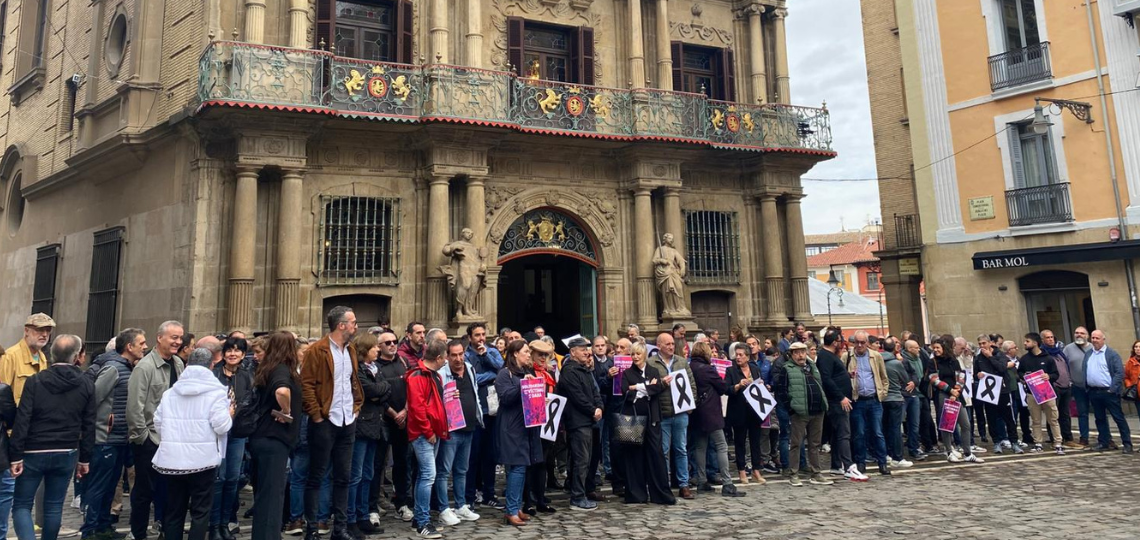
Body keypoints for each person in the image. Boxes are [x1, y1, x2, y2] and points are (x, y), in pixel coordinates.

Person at [8, 335, 95, 540]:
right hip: (66, 450)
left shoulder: (35, 381)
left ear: (51, 354)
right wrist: (85, 459)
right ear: (76, 356)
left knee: (21, 504)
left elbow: (23, 418)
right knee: (54, 506)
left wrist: (15, 455)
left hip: (33, 450)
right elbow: (89, 424)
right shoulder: (86, 383)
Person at [152, 348, 232, 540]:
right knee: (201, 511)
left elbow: (158, 422)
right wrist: (230, 414)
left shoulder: (171, 393)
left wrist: (173, 438)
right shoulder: (217, 393)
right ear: (211, 365)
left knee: (174, 511)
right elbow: (221, 426)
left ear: (187, 365)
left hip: (173, 460)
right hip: (203, 461)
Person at [300, 307, 364, 540]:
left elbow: (352, 381)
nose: (356, 326)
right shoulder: (317, 350)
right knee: (316, 475)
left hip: (348, 419)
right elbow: (306, 385)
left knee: (343, 476)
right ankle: (312, 529)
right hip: (325, 420)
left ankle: (340, 528)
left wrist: (356, 406)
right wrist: (316, 415)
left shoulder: (351, 351)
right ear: (341, 325)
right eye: (353, 322)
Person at [82, 328, 146, 540]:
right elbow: (94, 398)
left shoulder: (128, 367)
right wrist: (105, 422)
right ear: (129, 347)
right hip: (106, 438)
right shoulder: (113, 369)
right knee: (99, 486)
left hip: (120, 438)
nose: (144, 347)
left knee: (110, 486)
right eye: (141, 343)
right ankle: (90, 530)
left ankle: (103, 526)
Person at [129, 320, 186, 540]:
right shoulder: (145, 367)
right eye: (174, 337)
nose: (178, 342)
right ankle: (139, 534)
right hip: (150, 440)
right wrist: (143, 438)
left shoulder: (179, 364)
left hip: (172, 440)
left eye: (180, 338)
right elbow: (135, 407)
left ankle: (165, 530)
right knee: (144, 492)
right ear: (160, 338)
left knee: (170, 490)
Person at [249, 333, 303, 540]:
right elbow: (282, 391)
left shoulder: (269, 367)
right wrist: (286, 411)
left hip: (264, 438)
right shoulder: (281, 368)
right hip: (274, 438)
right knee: (272, 495)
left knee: (266, 494)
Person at [617, 342, 675, 505]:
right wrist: (646, 387)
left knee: (656, 455)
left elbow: (657, 389)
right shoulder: (627, 373)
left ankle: (660, 494)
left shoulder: (653, 370)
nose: (635, 357)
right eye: (633, 354)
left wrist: (638, 387)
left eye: (638, 354)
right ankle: (636, 494)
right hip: (633, 419)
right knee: (633, 456)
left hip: (652, 418)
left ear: (644, 355)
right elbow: (625, 391)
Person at [494, 340, 544, 527]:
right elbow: (505, 397)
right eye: (525, 352)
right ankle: (511, 510)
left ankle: (516, 506)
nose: (528, 355)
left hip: (525, 425)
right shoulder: (503, 374)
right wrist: (523, 385)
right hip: (510, 427)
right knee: (517, 467)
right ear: (515, 354)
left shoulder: (525, 373)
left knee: (522, 467)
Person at [686, 342, 743, 497]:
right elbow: (723, 388)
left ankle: (702, 481)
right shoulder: (708, 369)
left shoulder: (689, 367)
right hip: (710, 412)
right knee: (721, 446)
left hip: (696, 413)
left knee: (700, 447)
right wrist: (735, 385)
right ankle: (727, 483)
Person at [405, 340, 449, 538]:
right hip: (424, 434)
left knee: (426, 475)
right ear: (438, 358)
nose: (446, 360)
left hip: (434, 432)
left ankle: (419, 519)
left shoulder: (434, 375)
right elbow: (417, 407)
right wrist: (428, 431)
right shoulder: (418, 376)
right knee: (427, 475)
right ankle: (423, 521)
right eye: (446, 356)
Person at [435, 340, 482, 525]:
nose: (458, 358)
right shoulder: (441, 374)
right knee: (444, 470)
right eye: (453, 355)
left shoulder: (470, 368)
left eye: (460, 354)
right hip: (451, 428)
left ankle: (461, 505)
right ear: (447, 356)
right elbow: (437, 400)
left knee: (462, 469)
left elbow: (475, 393)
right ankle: (444, 508)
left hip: (469, 426)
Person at [210, 337, 252, 540]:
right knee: (219, 478)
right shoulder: (214, 374)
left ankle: (225, 523)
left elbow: (251, 400)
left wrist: (238, 411)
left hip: (237, 433)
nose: (232, 354)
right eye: (229, 350)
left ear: (243, 355)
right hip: (217, 435)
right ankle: (214, 524)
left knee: (233, 479)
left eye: (237, 351)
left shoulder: (246, 375)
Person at [645, 332, 695, 499]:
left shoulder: (681, 361)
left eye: (673, 343)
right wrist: (661, 383)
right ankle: (663, 483)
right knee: (663, 450)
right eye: (668, 344)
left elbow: (691, 383)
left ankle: (684, 484)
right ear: (659, 345)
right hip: (663, 413)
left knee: (681, 449)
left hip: (681, 412)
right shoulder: (651, 363)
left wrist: (691, 405)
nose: (672, 346)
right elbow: (649, 387)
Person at [348, 332, 389, 538]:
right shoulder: (357, 370)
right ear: (365, 350)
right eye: (374, 347)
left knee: (368, 474)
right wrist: (378, 391)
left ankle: (363, 515)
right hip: (361, 426)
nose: (378, 350)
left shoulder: (376, 368)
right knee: (355, 475)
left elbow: (385, 390)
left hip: (375, 426)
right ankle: (351, 518)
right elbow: (370, 390)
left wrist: (379, 391)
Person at [774, 342, 831, 487]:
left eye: (802, 352)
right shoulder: (787, 369)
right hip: (799, 412)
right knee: (796, 443)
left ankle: (816, 472)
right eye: (797, 352)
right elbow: (781, 391)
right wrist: (791, 408)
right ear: (792, 355)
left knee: (814, 444)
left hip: (817, 410)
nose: (800, 355)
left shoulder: (812, 366)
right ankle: (794, 473)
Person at [556, 337, 603, 511]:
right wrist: (593, 410)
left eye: (586, 349)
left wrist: (599, 407)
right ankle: (577, 497)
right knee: (580, 460)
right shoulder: (569, 371)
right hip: (577, 422)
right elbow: (577, 397)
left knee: (586, 460)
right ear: (573, 352)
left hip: (589, 421)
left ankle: (579, 492)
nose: (587, 352)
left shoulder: (584, 370)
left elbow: (594, 391)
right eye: (583, 349)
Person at [371, 330, 411, 522]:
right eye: (387, 343)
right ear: (379, 347)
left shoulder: (403, 363)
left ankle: (401, 502)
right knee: (377, 464)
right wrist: (393, 413)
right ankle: (372, 507)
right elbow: (376, 395)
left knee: (402, 462)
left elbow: (412, 388)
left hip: (404, 418)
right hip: (384, 420)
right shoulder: (375, 367)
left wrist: (405, 409)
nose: (392, 345)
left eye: (394, 341)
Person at [463, 322, 504, 510]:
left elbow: (501, 369)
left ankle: (489, 492)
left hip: (492, 410)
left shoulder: (492, 351)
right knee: (473, 456)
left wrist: (485, 355)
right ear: (470, 337)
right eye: (477, 335)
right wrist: (491, 375)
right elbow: (471, 378)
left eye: (483, 334)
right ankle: (470, 496)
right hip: (475, 410)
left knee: (490, 455)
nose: (481, 338)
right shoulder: (465, 355)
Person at [843, 331, 891, 476]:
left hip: (874, 399)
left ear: (867, 343)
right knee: (859, 433)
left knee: (877, 432)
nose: (859, 345)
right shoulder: (847, 357)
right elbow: (842, 377)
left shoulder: (875, 356)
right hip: (857, 400)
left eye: (862, 342)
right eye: (857, 342)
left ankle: (882, 462)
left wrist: (882, 393)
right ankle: (861, 462)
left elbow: (884, 377)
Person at [928, 340, 983, 464]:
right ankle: (949, 451)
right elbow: (933, 379)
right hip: (943, 394)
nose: (935, 350)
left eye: (938, 347)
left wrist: (956, 391)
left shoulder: (953, 361)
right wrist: (949, 390)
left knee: (965, 424)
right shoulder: (933, 362)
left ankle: (967, 453)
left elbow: (961, 377)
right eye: (934, 348)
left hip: (956, 395)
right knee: (947, 425)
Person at [1082, 330, 1133, 453]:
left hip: (1109, 392)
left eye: (1097, 338)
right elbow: (1085, 370)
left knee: (1118, 418)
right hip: (1094, 392)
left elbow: (1118, 372)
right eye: (1093, 338)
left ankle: (1127, 443)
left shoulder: (1111, 354)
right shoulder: (1089, 354)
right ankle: (1103, 442)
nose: (1094, 340)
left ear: (1103, 339)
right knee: (1099, 419)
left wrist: (1112, 389)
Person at [725, 343, 768, 485]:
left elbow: (759, 386)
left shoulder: (755, 369)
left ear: (747, 356)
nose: (738, 357)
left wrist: (762, 385)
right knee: (740, 442)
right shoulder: (731, 371)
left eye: (741, 355)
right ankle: (742, 470)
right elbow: (727, 389)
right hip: (739, 411)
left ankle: (757, 470)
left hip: (754, 410)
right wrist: (738, 385)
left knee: (755, 441)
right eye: (736, 355)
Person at [973, 335, 1022, 455]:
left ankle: (1014, 442)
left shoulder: (999, 354)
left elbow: (1002, 368)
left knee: (1008, 417)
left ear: (990, 343)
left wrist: (990, 357)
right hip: (989, 392)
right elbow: (975, 373)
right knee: (991, 418)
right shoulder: (978, 358)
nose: (982, 346)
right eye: (979, 344)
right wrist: (978, 375)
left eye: (984, 343)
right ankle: (996, 441)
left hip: (1003, 390)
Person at [525, 339, 558, 515]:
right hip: (532, 424)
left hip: (548, 424)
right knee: (531, 463)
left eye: (546, 355)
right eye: (540, 355)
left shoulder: (548, 374)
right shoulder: (527, 372)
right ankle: (528, 501)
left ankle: (540, 499)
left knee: (544, 463)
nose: (543, 358)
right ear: (532, 355)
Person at [1018, 333, 1064, 455]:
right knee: (1035, 419)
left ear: (1035, 343)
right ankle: (1038, 442)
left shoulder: (1048, 358)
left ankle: (1058, 442)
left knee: (1053, 419)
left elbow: (1056, 374)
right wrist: (1024, 376)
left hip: (1046, 393)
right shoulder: (1024, 359)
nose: (1024, 343)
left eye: (1027, 341)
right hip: (1032, 393)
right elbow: (1020, 372)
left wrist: (1048, 376)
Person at [1040, 330, 1077, 448]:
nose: (1051, 339)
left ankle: (1068, 438)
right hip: (1053, 387)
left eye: (1052, 337)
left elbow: (1066, 367)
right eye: (1048, 338)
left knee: (1065, 414)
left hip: (1066, 386)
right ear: (1043, 340)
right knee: (1052, 415)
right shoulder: (1043, 354)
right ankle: (1054, 439)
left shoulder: (1059, 353)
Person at [881, 338, 913, 469]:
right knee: (895, 429)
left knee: (884, 428)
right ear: (894, 348)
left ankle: (887, 454)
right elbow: (905, 379)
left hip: (882, 398)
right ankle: (897, 457)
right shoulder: (896, 363)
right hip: (895, 397)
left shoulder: (878, 361)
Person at [898, 340, 928, 462]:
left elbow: (915, 374)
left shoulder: (917, 359)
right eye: (916, 348)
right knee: (898, 424)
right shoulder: (901, 360)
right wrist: (906, 384)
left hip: (914, 394)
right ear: (909, 349)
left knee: (914, 424)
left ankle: (914, 448)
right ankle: (898, 451)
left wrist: (914, 382)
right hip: (903, 395)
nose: (919, 349)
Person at [1062, 327, 1092, 446]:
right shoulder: (1068, 349)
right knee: (1082, 413)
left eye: (1082, 333)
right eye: (1077, 333)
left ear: (1087, 336)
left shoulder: (1093, 347)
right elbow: (1063, 365)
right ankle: (1084, 437)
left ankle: (1106, 437)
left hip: (1093, 386)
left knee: (1100, 414)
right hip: (1077, 386)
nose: (1079, 335)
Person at [1125, 341, 1140, 422]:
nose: (1138, 349)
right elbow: (1126, 377)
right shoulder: (1130, 362)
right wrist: (1129, 385)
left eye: (1139, 347)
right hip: (1137, 393)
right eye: (1136, 347)